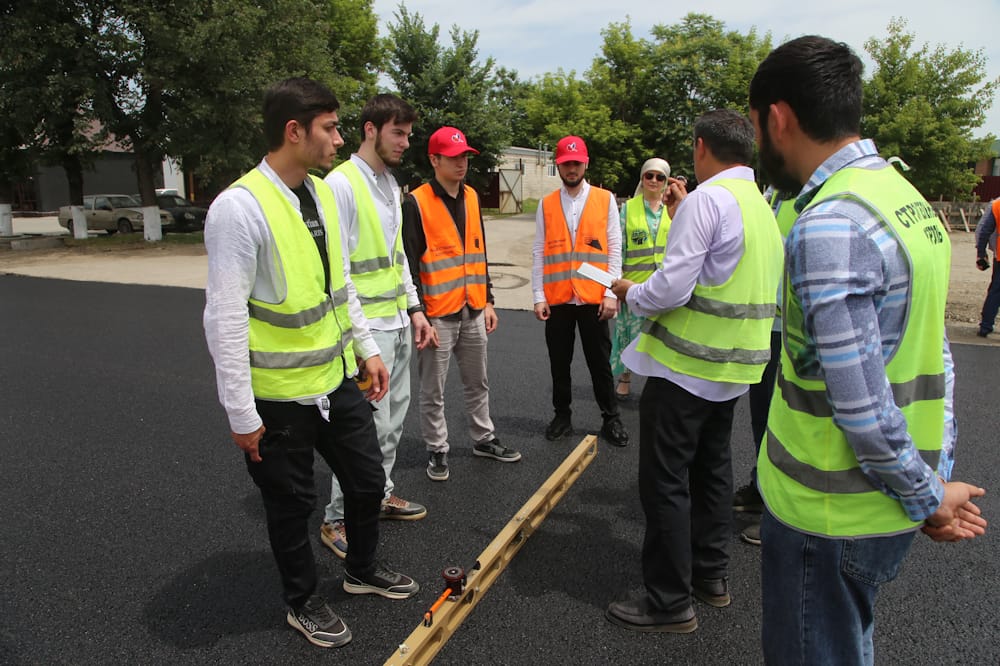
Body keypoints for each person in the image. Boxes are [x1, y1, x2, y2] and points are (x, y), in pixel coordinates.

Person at [748, 36, 987, 664]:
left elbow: (862, 410)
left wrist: (928, 496)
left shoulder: (831, 222)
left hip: (826, 514)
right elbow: (937, 359)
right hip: (880, 503)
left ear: (778, 118)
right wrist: (930, 482)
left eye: (756, 127)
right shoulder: (907, 202)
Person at [203, 78, 419, 650]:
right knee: (291, 505)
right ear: (294, 131)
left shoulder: (323, 194)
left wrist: (366, 349)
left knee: (368, 482)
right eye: (330, 128)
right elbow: (224, 318)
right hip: (278, 397)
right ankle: (302, 601)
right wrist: (241, 412)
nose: (339, 138)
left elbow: (340, 285)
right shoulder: (239, 208)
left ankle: (361, 570)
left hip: (335, 378)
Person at [605, 109, 783, 634]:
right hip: (733, 369)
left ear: (702, 147)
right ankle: (710, 575)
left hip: (685, 366)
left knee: (664, 481)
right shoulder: (761, 205)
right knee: (712, 472)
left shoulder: (707, 200)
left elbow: (671, 288)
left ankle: (668, 600)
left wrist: (630, 292)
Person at [318, 94, 436, 560]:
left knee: (392, 422)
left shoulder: (390, 183)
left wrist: (415, 308)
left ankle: (378, 495)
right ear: (370, 129)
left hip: (397, 323)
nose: (405, 142)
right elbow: (340, 271)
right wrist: (362, 341)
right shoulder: (341, 185)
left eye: (408, 134)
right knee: (362, 429)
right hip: (366, 331)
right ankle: (337, 518)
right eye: (397, 133)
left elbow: (397, 255)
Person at [402, 126, 521, 482]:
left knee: (477, 382)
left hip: (473, 309)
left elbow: (478, 251)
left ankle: (483, 438)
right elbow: (409, 265)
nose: (461, 163)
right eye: (453, 157)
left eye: (465, 156)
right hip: (436, 315)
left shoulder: (471, 196)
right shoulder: (416, 203)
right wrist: (418, 312)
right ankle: (437, 448)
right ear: (434, 160)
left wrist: (489, 300)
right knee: (433, 390)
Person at [532, 135, 629, 447]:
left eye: (576, 163)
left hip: (593, 298)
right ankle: (562, 416)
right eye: (565, 163)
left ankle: (611, 418)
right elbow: (539, 251)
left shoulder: (605, 199)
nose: (571, 168)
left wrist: (611, 294)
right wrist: (538, 295)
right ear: (558, 166)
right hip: (558, 298)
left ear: (585, 164)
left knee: (599, 363)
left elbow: (614, 248)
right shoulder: (546, 204)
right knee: (559, 363)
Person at [733, 190, 797, 546]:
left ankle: (779, 512)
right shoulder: (774, 193)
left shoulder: (810, 196)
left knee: (784, 421)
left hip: (792, 331)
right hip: (765, 325)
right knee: (763, 415)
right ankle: (762, 487)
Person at [611, 158, 684, 401]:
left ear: (666, 181)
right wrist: (616, 283)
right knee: (630, 334)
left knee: (662, 336)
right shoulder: (628, 208)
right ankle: (625, 378)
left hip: (664, 284)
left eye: (660, 177)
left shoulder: (675, 209)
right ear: (642, 179)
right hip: (633, 283)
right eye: (649, 175)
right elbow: (619, 247)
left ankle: (661, 381)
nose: (654, 180)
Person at [974, 197, 1000, 337]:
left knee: (995, 291)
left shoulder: (997, 205)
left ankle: (985, 326)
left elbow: (984, 230)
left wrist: (981, 253)